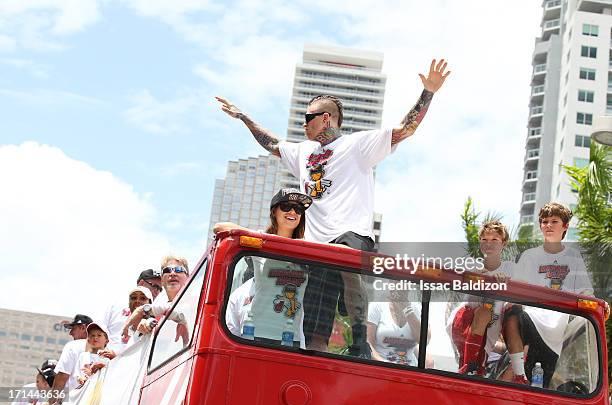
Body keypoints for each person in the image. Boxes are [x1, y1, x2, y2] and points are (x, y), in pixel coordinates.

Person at [215, 59, 450, 355]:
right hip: (315, 245)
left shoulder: (357, 146)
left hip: (351, 234)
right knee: (315, 317)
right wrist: (244, 117)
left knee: (346, 260)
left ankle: (359, 339)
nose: (303, 124)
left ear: (326, 118)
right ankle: (316, 352)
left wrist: (428, 92)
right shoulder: (303, 152)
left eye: (307, 117)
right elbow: (272, 143)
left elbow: (405, 129)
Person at [504, 202, 594, 387]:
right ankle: (519, 373)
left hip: (555, 329)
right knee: (511, 314)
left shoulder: (574, 257)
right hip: (531, 316)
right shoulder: (529, 256)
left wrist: (599, 305)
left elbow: (586, 292)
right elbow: (517, 288)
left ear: (565, 226)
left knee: (540, 385)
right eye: (544, 222)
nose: (548, 225)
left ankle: (525, 374)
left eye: (554, 221)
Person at [215, 188, 312, 347]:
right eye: (286, 206)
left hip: (290, 338)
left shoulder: (306, 248)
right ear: (274, 211)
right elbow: (219, 227)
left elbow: (338, 251)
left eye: (299, 209)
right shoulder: (261, 242)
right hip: (255, 334)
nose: (293, 212)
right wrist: (257, 237)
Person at [448, 220, 513, 376]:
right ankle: (469, 367)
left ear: (503, 243)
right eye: (484, 240)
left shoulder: (509, 269)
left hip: (490, 327)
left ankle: (474, 368)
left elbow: (522, 285)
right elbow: (468, 274)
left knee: (492, 315)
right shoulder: (474, 264)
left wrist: (505, 279)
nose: (489, 244)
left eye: (494, 240)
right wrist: (486, 275)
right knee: (484, 312)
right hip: (465, 321)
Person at [122, 255, 191, 342]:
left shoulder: (200, 301)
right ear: (162, 281)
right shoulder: (155, 315)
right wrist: (145, 327)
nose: (172, 274)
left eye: (179, 270)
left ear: (188, 277)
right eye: (167, 270)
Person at [367, 288, 423, 366]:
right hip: (382, 366)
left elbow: (424, 341)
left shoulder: (416, 308)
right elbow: (368, 344)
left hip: (410, 369)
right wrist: (385, 364)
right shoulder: (376, 306)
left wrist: (407, 310)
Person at [49, 314, 93, 403]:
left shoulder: (73, 346)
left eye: (73, 328)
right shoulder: (103, 348)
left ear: (83, 327)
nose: (70, 332)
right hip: (92, 400)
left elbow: (62, 375)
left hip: (72, 401)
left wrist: (51, 401)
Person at [99, 286, 153, 355]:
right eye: (133, 298)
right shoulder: (126, 330)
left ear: (150, 304)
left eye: (143, 298)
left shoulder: (151, 323)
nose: (137, 301)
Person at [75, 322, 112, 387]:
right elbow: (77, 374)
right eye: (92, 335)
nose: (95, 338)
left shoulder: (110, 357)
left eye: (99, 335)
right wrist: (80, 378)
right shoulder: (83, 356)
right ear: (88, 340)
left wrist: (93, 373)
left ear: (107, 340)